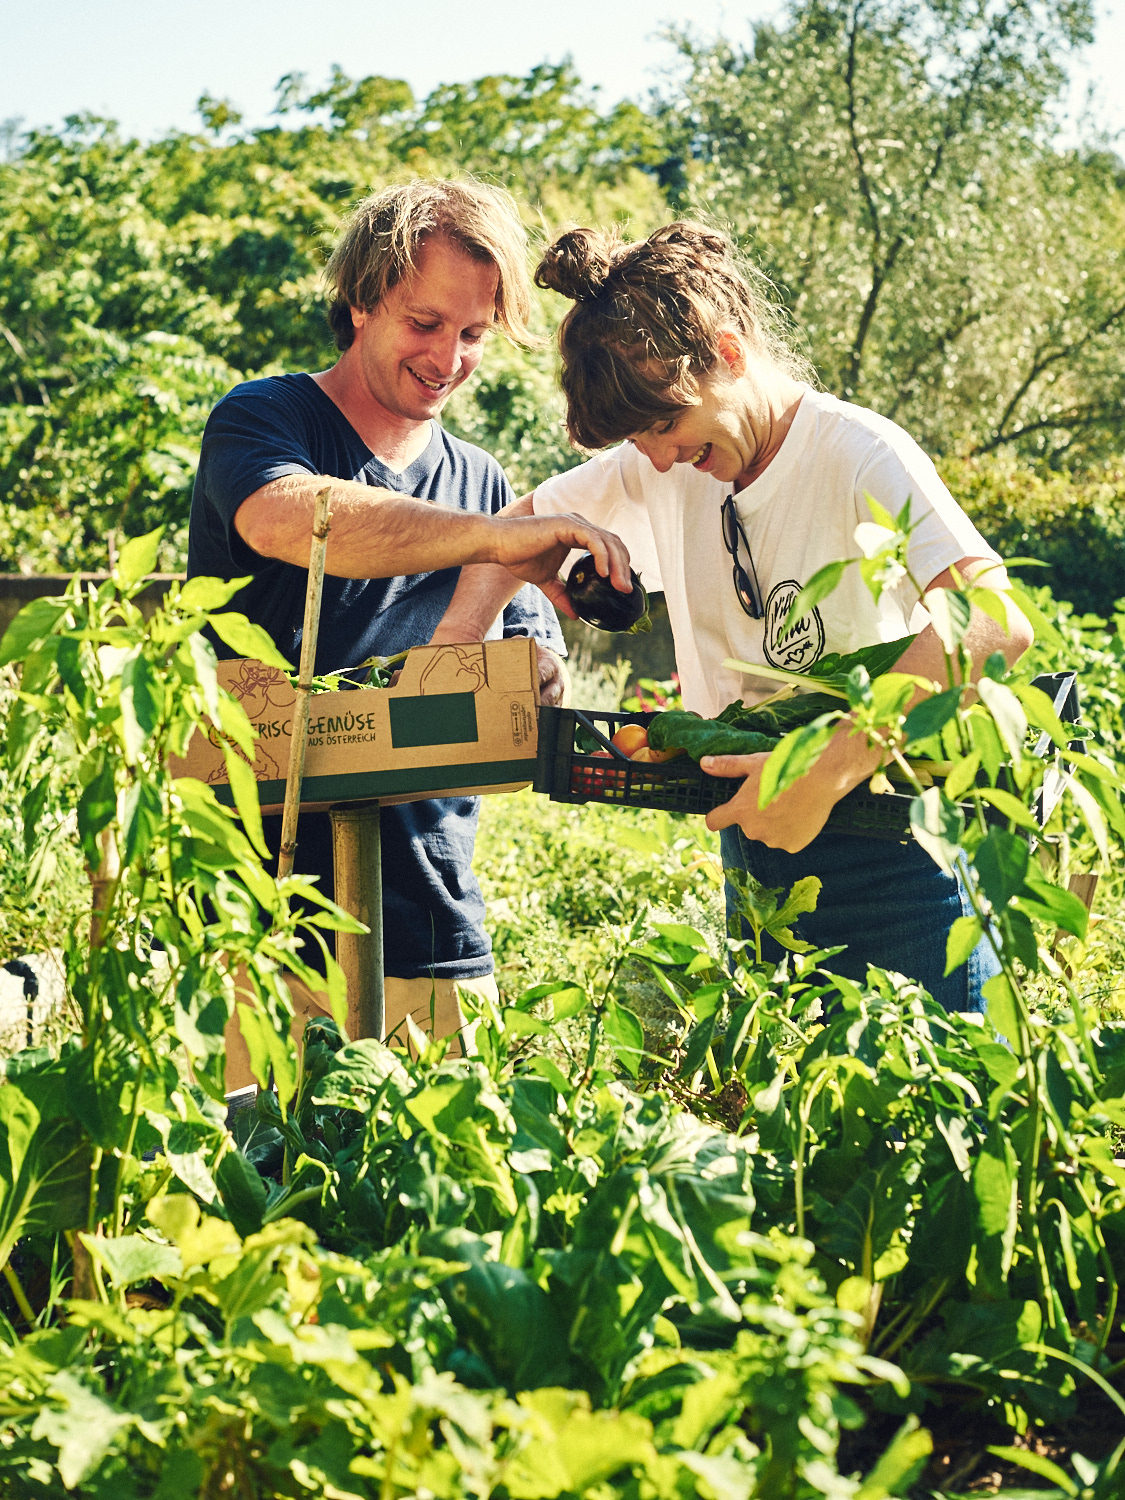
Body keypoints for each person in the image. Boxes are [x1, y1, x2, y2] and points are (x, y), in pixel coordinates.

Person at [439, 222, 1033, 1011]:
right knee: (797, 1111)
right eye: (635, 437)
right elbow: (506, 538)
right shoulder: (666, 463)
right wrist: (450, 653)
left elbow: (991, 623)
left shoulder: (857, 452)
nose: (652, 459)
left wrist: (821, 768)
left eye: (660, 425)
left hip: (894, 845)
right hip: (752, 840)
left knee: (934, 1106)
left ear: (726, 352)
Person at [187, 180, 632, 1073]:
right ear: (359, 302)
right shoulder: (267, 419)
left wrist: (537, 661)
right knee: (254, 1183)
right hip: (258, 919)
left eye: (472, 335)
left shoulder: (477, 477)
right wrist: (498, 534)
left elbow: (517, 632)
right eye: (424, 324)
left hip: (427, 910)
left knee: (440, 1190)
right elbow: (291, 519)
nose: (448, 358)